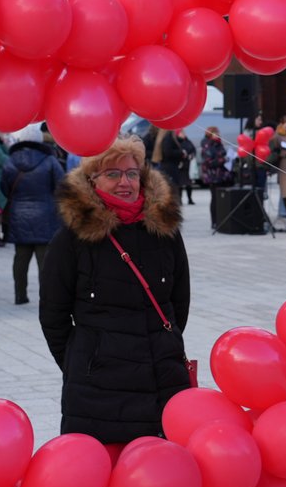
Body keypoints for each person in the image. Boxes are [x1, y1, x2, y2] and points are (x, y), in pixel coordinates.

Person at [39, 135, 191, 443]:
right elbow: (53, 315)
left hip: (163, 382)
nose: (125, 182)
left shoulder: (164, 231)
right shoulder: (72, 239)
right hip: (98, 393)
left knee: (161, 477)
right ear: (93, 180)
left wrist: (166, 344)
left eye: (132, 173)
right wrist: (80, 361)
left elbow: (179, 301)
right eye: (113, 174)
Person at [1, 126, 65, 305]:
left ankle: (19, 295)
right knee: (44, 260)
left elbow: (4, 189)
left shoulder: (10, 161)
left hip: (18, 215)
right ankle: (46, 297)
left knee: (20, 258)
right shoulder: (50, 160)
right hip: (45, 214)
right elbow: (61, 186)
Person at [175, 131, 198, 205]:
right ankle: (180, 200)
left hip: (188, 165)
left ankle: (190, 199)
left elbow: (194, 150)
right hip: (180, 166)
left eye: (184, 133)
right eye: (182, 133)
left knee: (189, 184)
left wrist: (192, 155)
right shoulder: (176, 142)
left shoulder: (188, 141)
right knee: (180, 184)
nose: (184, 134)